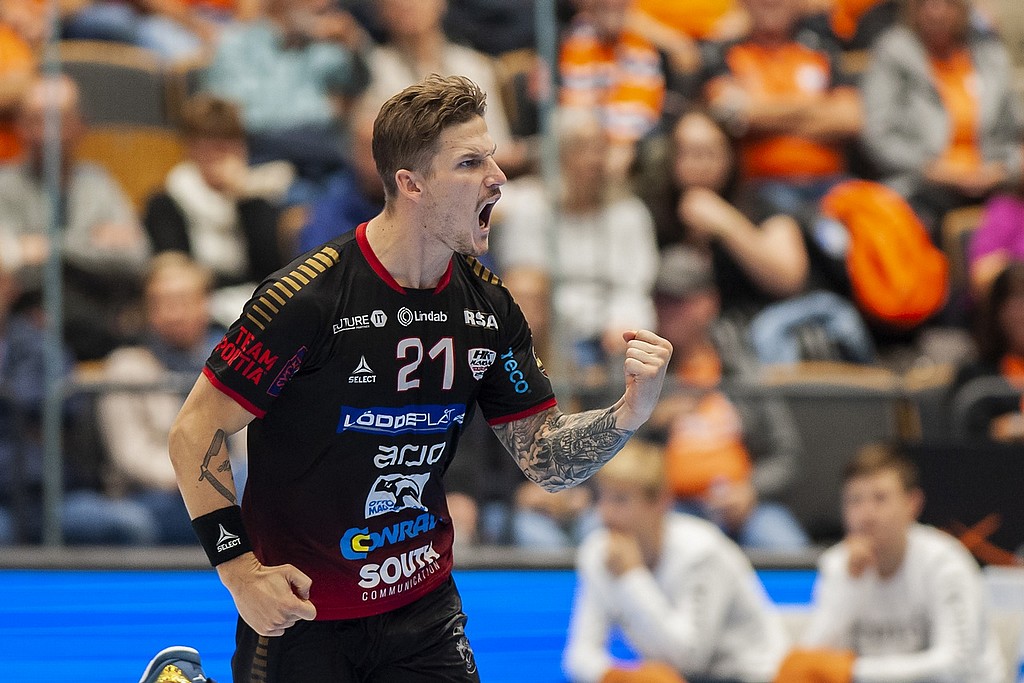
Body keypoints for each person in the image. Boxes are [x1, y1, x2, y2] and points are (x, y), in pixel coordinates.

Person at [166, 74, 672, 681]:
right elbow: (194, 431)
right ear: (411, 184)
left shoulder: (488, 307)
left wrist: (627, 415)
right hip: (303, 616)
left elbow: (544, 459)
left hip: (423, 612)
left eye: (491, 157)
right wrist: (240, 571)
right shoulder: (307, 298)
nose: (498, 177)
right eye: (470, 163)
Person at [562, 438, 789, 683]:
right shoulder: (597, 552)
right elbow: (580, 655)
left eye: (620, 500)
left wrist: (632, 577)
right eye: (601, 498)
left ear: (661, 501)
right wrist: (617, 677)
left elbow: (688, 658)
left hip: (752, 675)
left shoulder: (702, 552)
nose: (605, 514)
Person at [792, 442, 1005, 682]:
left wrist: (852, 671)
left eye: (880, 498)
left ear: (912, 503)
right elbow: (808, 663)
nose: (866, 514)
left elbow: (956, 666)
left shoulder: (945, 564)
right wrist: (850, 585)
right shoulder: (838, 564)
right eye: (854, 500)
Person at [650, 245, 811, 550]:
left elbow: (786, 452)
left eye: (679, 301)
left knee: (785, 545)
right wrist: (650, 421)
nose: (666, 311)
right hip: (669, 506)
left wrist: (751, 490)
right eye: (660, 300)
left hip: (743, 504)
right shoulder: (640, 370)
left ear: (708, 303)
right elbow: (611, 457)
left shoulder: (742, 367)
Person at [494, 105, 659, 381]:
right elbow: (525, 282)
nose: (595, 159)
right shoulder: (530, 207)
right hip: (549, 334)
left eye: (600, 148)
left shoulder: (629, 214)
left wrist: (622, 324)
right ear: (558, 155)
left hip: (611, 336)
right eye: (581, 148)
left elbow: (635, 288)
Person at [0, 73, 151, 361]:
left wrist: (52, 247)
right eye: (35, 120)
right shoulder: (5, 186)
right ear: (19, 126)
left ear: (80, 125)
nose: (45, 133)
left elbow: (136, 256)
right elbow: (8, 264)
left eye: (57, 120)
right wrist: (91, 245)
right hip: (28, 329)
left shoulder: (97, 183)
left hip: (102, 325)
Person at [96, 253, 238, 545]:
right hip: (153, 495)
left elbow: (247, 446)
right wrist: (196, 479)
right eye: (162, 303)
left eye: (184, 301)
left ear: (205, 304)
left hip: (230, 484)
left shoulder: (232, 362)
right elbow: (130, 455)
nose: (174, 314)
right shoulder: (126, 367)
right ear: (148, 311)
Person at [860, 0, 1022, 236]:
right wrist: (934, 169)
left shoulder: (988, 51)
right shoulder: (894, 52)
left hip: (992, 179)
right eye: (925, 3)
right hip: (922, 184)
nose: (936, 11)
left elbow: (1014, 127)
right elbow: (878, 135)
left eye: (947, 3)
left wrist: (1002, 169)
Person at [701, 0, 863, 217]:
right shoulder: (725, 53)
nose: (771, 2)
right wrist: (818, 107)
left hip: (831, 183)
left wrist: (762, 115)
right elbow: (730, 112)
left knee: (878, 211)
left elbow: (850, 118)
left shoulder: (822, 49)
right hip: (760, 188)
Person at [142, 94, 289, 324]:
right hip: (193, 317)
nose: (220, 155)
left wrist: (245, 197)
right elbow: (177, 276)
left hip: (254, 310)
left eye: (229, 144)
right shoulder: (165, 203)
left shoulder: (255, 202)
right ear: (190, 149)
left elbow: (270, 274)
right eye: (210, 145)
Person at [200, 0, 371, 198]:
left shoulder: (321, 46)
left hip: (322, 161)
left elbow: (359, 82)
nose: (323, 4)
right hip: (262, 157)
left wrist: (354, 44)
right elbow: (235, 120)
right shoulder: (235, 46)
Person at [559, 0, 666, 177]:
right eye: (605, 4)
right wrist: (601, 143)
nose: (612, 5)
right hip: (587, 135)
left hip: (629, 140)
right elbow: (576, 100)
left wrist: (622, 142)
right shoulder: (576, 37)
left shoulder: (639, 40)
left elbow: (642, 104)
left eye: (619, 4)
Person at [950, 261, 1024, 440]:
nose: (1022, 312)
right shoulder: (975, 376)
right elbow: (972, 433)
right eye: (1016, 301)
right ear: (998, 311)